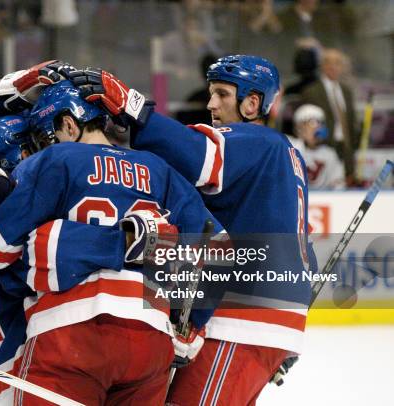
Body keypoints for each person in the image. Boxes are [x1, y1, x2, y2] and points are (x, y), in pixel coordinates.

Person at [63, 54, 314, 405]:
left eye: (223, 94)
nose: (211, 104)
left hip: (239, 319)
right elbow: (305, 255)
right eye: (211, 93)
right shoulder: (287, 157)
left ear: (253, 102)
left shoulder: (255, 141)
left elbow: (198, 156)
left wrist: (134, 107)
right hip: (263, 323)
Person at [0, 79, 224, 404]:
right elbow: (218, 246)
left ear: (67, 124)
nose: (43, 147)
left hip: (69, 333)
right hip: (150, 338)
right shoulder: (160, 170)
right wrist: (190, 324)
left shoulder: (56, 160)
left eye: (45, 138)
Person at [301, 48, 357, 184]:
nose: (332, 66)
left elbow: (351, 122)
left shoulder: (346, 91)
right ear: (321, 65)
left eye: (337, 62)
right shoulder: (311, 91)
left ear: (342, 67)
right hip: (323, 149)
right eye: (328, 62)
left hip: (346, 149)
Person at [290, 104, 345, 189]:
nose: (316, 128)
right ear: (299, 128)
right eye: (311, 123)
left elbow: (338, 183)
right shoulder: (291, 149)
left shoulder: (329, 154)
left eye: (319, 123)